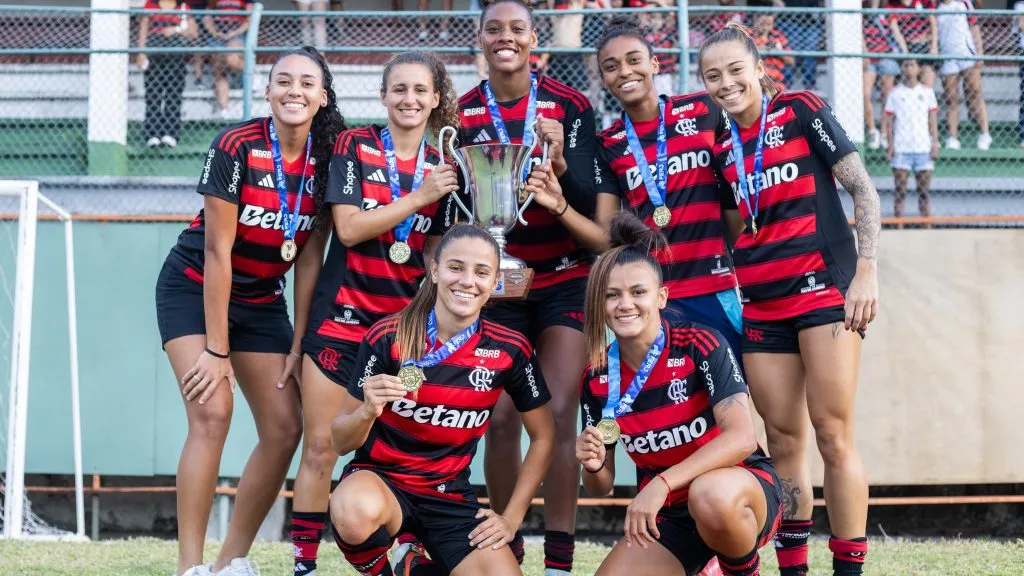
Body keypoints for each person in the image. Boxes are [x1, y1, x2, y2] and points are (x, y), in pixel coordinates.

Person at [154, 47, 346, 576]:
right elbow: (218, 253)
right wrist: (217, 351)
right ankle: (190, 568)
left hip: (262, 301)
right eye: (283, 81)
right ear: (266, 90)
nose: (294, 91)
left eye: (307, 83)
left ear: (322, 97)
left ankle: (229, 563)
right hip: (195, 288)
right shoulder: (235, 144)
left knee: (286, 428)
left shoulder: (329, 158)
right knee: (213, 412)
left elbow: (310, 255)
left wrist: (298, 341)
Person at [699, 23, 881, 576]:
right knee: (781, 441)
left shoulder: (801, 109)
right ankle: (794, 571)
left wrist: (866, 271)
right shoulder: (721, 144)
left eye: (736, 70)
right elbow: (737, 228)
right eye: (714, 76)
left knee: (832, 434)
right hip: (761, 306)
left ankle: (848, 570)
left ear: (759, 68)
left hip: (825, 294)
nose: (727, 83)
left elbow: (862, 189)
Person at [289, 51, 460, 576]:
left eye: (420, 91)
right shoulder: (355, 145)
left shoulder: (448, 167)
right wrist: (419, 196)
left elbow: (439, 255)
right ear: (383, 96)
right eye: (399, 90)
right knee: (320, 446)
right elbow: (349, 229)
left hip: (404, 334)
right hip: (341, 321)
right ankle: (304, 565)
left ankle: (409, 549)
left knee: (402, 451)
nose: (409, 100)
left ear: (436, 99)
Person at [451, 1, 598, 573]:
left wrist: (559, 166)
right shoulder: (461, 112)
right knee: (504, 415)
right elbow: (454, 209)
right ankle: (505, 545)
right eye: (494, 29)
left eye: (516, 28)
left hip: (564, 277)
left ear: (535, 37)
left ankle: (558, 559)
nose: (505, 37)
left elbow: (590, 201)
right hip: (500, 285)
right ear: (480, 37)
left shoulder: (572, 105)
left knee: (559, 412)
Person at [327, 223, 556, 576]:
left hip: (448, 495)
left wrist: (511, 518)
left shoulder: (510, 348)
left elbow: (544, 436)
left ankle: (415, 566)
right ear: (433, 269)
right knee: (352, 511)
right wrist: (366, 412)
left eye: (481, 272)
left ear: (495, 281)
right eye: (455, 267)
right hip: (382, 482)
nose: (467, 281)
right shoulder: (388, 336)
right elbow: (340, 440)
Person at [575, 212, 783, 576]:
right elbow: (601, 486)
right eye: (612, 296)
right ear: (599, 304)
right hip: (669, 513)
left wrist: (661, 483)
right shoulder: (596, 378)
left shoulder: (699, 344)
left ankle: (739, 568)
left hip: (738, 493)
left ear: (661, 297)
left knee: (710, 496)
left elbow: (743, 437)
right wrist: (592, 465)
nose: (625, 304)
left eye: (638, 292)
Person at [526, 15, 744, 358]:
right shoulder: (608, 145)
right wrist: (560, 207)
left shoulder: (704, 110)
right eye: (611, 66)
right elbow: (604, 236)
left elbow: (737, 189)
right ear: (603, 77)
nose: (624, 72)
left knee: (734, 401)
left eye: (633, 60)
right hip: (652, 300)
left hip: (714, 289)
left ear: (654, 63)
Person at [883, 58, 939, 225]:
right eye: (905, 65)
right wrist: (890, 146)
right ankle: (898, 225)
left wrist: (935, 143)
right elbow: (889, 121)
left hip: (923, 147)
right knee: (900, 190)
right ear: (901, 69)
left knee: (924, 192)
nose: (909, 68)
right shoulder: (895, 93)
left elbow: (932, 120)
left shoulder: (927, 92)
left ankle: (926, 225)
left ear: (919, 69)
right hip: (901, 148)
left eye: (912, 65)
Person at [136, 0, 197, 149]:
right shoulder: (150, 5)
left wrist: (176, 30)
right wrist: (141, 52)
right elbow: (143, 31)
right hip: (154, 54)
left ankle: (170, 134)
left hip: (175, 57)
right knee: (153, 94)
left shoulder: (184, 8)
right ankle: (152, 135)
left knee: (173, 95)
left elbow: (194, 33)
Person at [936, 0, 991, 150]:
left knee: (975, 93)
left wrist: (979, 52)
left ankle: (985, 134)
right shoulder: (936, 6)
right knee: (951, 99)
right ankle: (952, 137)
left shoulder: (964, 3)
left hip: (967, 54)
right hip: (947, 58)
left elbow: (974, 28)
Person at [863, 0, 906, 150]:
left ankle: (884, 132)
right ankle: (872, 130)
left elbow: (896, 33)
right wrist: (865, 54)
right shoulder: (863, 13)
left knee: (886, 96)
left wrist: (906, 53)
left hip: (887, 57)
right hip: (870, 58)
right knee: (865, 94)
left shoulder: (888, 12)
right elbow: (859, 34)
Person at [203, 0, 250, 118]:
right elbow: (207, 17)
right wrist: (215, 33)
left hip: (237, 35)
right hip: (218, 37)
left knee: (232, 60)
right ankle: (224, 109)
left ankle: (253, 75)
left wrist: (234, 33)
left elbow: (250, 19)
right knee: (219, 69)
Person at [888, 0, 938, 87]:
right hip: (907, 46)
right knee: (911, 83)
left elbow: (933, 22)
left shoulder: (923, 1)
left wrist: (934, 46)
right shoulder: (893, 4)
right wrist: (906, 52)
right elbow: (895, 29)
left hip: (924, 46)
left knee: (927, 85)